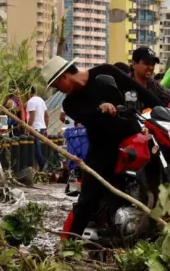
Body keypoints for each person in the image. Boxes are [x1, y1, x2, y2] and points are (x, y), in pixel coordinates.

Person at [44, 56, 161, 238]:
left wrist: (166, 107)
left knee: (159, 172)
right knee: (88, 197)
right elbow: (88, 116)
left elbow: (138, 90)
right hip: (103, 148)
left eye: (57, 87)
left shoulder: (105, 72)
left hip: (133, 137)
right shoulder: (70, 103)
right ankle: (68, 245)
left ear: (64, 77)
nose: (59, 91)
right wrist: (100, 107)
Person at [26, 87, 49, 168]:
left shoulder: (30, 102)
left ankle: (43, 165)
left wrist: (27, 129)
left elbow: (31, 117)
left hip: (35, 128)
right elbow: (47, 116)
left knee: (36, 149)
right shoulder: (41, 100)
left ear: (28, 92)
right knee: (38, 147)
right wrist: (45, 128)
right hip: (42, 127)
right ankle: (40, 165)